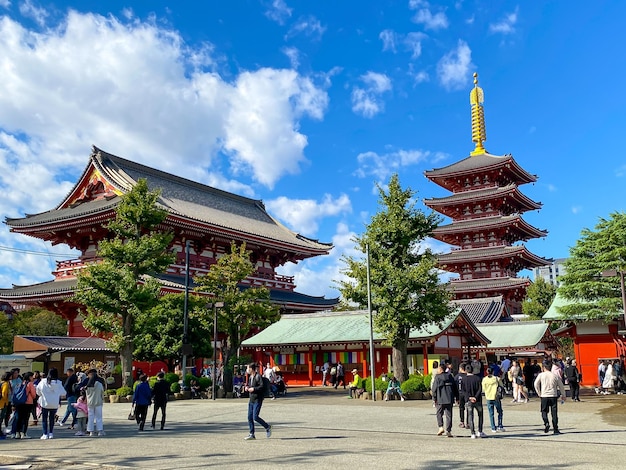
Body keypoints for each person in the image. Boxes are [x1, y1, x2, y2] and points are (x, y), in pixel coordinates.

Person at [534, 360, 566, 435]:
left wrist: (539, 393)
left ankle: (546, 423)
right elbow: (561, 386)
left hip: (544, 395)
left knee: (544, 411)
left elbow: (536, 384)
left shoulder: (541, 375)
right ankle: (556, 428)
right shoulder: (554, 375)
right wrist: (563, 395)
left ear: (544, 367)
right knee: (554, 413)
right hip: (553, 395)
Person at [35, 368, 66, 440]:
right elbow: (64, 393)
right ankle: (51, 433)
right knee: (52, 418)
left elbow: (38, 391)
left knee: (44, 419)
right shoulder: (58, 383)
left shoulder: (43, 382)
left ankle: (45, 434)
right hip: (54, 403)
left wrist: (42, 394)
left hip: (45, 403)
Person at [244, 363, 271, 440]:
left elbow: (261, 386)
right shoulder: (250, 377)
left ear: (251, 369)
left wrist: (254, 389)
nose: (247, 370)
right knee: (249, 417)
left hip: (257, 399)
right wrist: (247, 387)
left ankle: (267, 427)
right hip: (251, 399)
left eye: (248, 368)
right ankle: (251, 434)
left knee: (255, 417)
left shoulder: (258, 376)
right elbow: (249, 385)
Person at [431, 363, 458, 438]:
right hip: (449, 398)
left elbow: (434, 389)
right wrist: (457, 397)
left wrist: (434, 398)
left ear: (440, 369)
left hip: (440, 399)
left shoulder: (438, 377)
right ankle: (448, 431)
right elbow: (455, 388)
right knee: (449, 415)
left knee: (439, 413)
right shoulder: (450, 376)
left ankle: (441, 427)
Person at [461, 364, 485, 438]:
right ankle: (480, 431)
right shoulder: (477, 378)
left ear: (465, 371)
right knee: (480, 415)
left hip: (468, 400)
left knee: (470, 416)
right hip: (477, 400)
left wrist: (469, 397)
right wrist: (475, 397)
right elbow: (480, 389)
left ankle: (472, 433)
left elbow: (463, 390)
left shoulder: (463, 379)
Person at [14, 371, 36, 439]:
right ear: (29, 377)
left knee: (19, 418)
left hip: (19, 402)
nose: (33, 378)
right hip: (28, 403)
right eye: (32, 376)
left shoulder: (21, 383)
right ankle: (23, 433)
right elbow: (33, 395)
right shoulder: (30, 384)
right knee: (25, 418)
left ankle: (17, 433)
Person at [482, 367, 505, 433]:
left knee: (491, 413)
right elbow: (502, 386)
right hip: (496, 397)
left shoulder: (484, 379)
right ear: (493, 372)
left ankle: (493, 427)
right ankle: (500, 426)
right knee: (500, 412)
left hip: (488, 397)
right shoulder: (497, 379)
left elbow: (483, 389)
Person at [85, 369, 106, 436]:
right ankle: (100, 431)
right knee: (98, 417)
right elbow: (102, 393)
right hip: (98, 402)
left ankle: (91, 431)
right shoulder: (99, 384)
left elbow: (86, 394)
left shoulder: (88, 385)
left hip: (90, 403)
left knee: (90, 417)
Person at [455, 363, 467, 429]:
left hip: (459, 394)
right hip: (467, 394)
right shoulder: (467, 376)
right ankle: (468, 422)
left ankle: (462, 422)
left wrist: (456, 397)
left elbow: (455, 387)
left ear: (460, 368)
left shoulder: (457, 377)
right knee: (468, 408)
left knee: (461, 408)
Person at [0, 371, 11, 438]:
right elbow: (4, 393)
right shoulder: (6, 384)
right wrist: (6, 399)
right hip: (3, 403)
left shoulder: (1, 383)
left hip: (0, 402)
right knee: (1, 418)